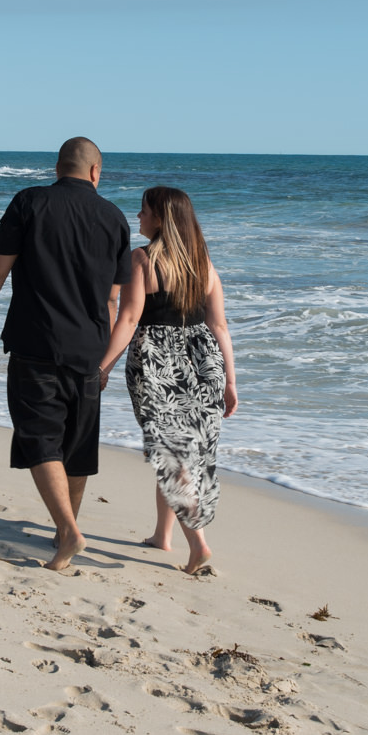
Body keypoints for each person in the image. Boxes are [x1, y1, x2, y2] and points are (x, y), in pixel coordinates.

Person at [0, 136, 132, 571]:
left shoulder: (29, 202)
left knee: (39, 437)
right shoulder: (115, 218)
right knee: (76, 444)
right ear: (96, 172)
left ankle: (69, 532)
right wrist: (106, 356)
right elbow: (113, 299)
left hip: (36, 342)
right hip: (90, 350)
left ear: (57, 168)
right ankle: (62, 530)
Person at [99, 185, 237, 574]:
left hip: (157, 363)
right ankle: (164, 536)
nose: (138, 217)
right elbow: (220, 325)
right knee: (184, 453)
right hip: (204, 361)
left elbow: (127, 320)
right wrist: (230, 381)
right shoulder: (203, 262)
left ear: (160, 217)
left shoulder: (141, 260)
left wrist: (103, 366)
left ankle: (199, 544)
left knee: (169, 454)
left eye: (143, 211)